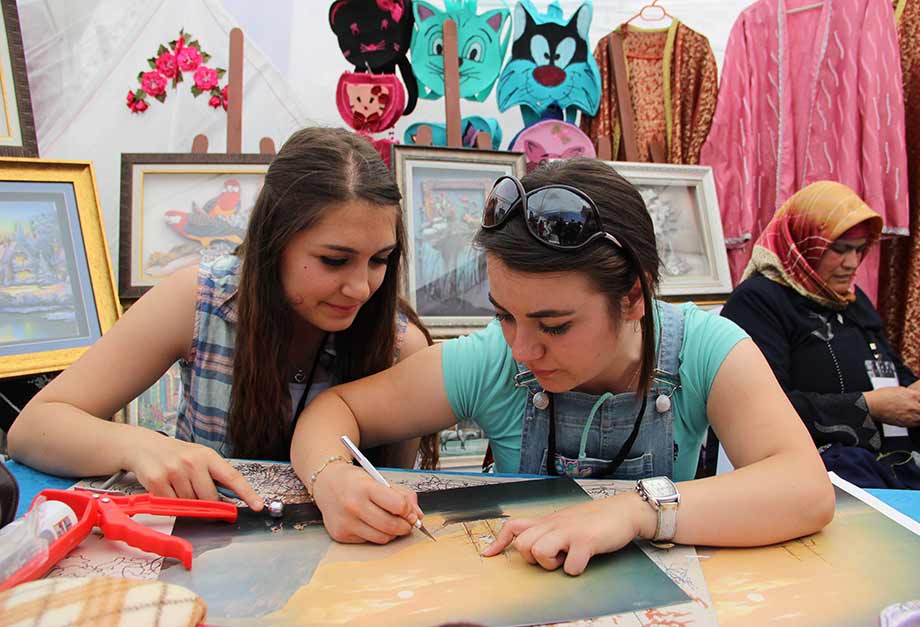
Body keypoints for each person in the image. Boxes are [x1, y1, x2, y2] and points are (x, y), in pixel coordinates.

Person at [291, 158, 834, 576]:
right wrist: (331, 478)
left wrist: (635, 511)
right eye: (504, 315)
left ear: (633, 297)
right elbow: (334, 409)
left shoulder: (705, 349)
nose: (523, 349)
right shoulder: (493, 359)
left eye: (554, 326)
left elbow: (805, 488)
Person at [8, 127, 436, 509]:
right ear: (274, 240)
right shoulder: (199, 300)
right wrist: (139, 446)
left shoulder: (400, 348)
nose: (360, 288)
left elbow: (399, 486)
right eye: (334, 260)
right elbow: (33, 429)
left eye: (380, 260)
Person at [721, 181, 920, 489]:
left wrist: (919, 389)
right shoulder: (759, 302)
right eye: (839, 250)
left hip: (886, 464)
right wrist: (869, 405)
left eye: (859, 249)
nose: (852, 263)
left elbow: (884, 365)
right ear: (804, 242)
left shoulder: (849, 300)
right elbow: (761, 407)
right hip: (813, 474)